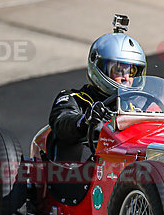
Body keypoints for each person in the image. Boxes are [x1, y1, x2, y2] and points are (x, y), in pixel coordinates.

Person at [49, 15, 146, 145]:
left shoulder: (137, 106)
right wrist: (86, 121)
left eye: (132, 72)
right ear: (100, 67)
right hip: (86, 163)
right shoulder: (74, 99)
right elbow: (62, 123)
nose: (126, 78)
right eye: (118, 70)